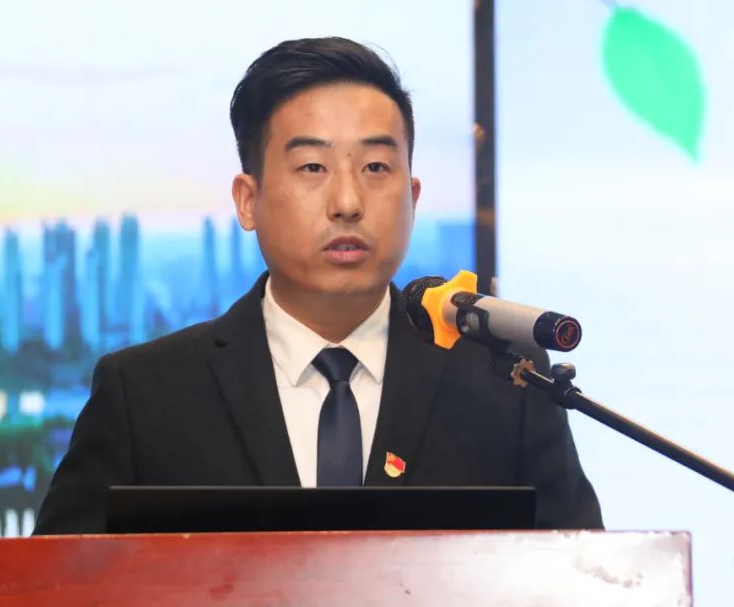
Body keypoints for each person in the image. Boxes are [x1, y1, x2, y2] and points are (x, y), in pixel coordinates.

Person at [34, 37, 602, 534]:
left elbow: (582, 581)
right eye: (313, 168)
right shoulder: (146, 395)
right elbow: (51, 589)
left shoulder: (504, 381)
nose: (347, 202)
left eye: (375, 168)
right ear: (248, 200)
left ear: (413, 197)